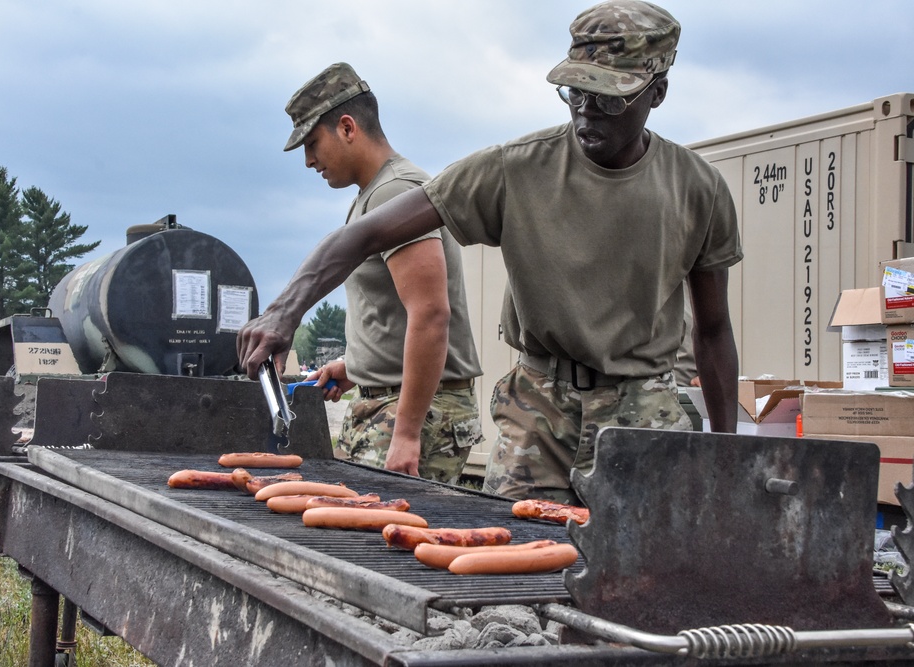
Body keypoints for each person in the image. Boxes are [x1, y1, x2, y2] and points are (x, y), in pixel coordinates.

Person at [238, 1, 742, 504]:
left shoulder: (699, 190)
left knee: (641, 564)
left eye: (609, 99)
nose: (587, 112)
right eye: (576, 93)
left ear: (657, 93)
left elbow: (715, 332)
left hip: (643, 414)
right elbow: (364, 235)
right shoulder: (516, 169)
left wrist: (726, 454)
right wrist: (286, 309)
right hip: (538, 414)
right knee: (513, 548)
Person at [278, 62, 484, 483]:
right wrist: (354, 367)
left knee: (381, 539)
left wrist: (406, 433)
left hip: (415, 413)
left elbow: (430, 314)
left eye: (312, 142)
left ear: (348, 128)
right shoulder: (372, 196)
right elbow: (396, 316)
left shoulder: (395, 191)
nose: (309, 160)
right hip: (391, 405)